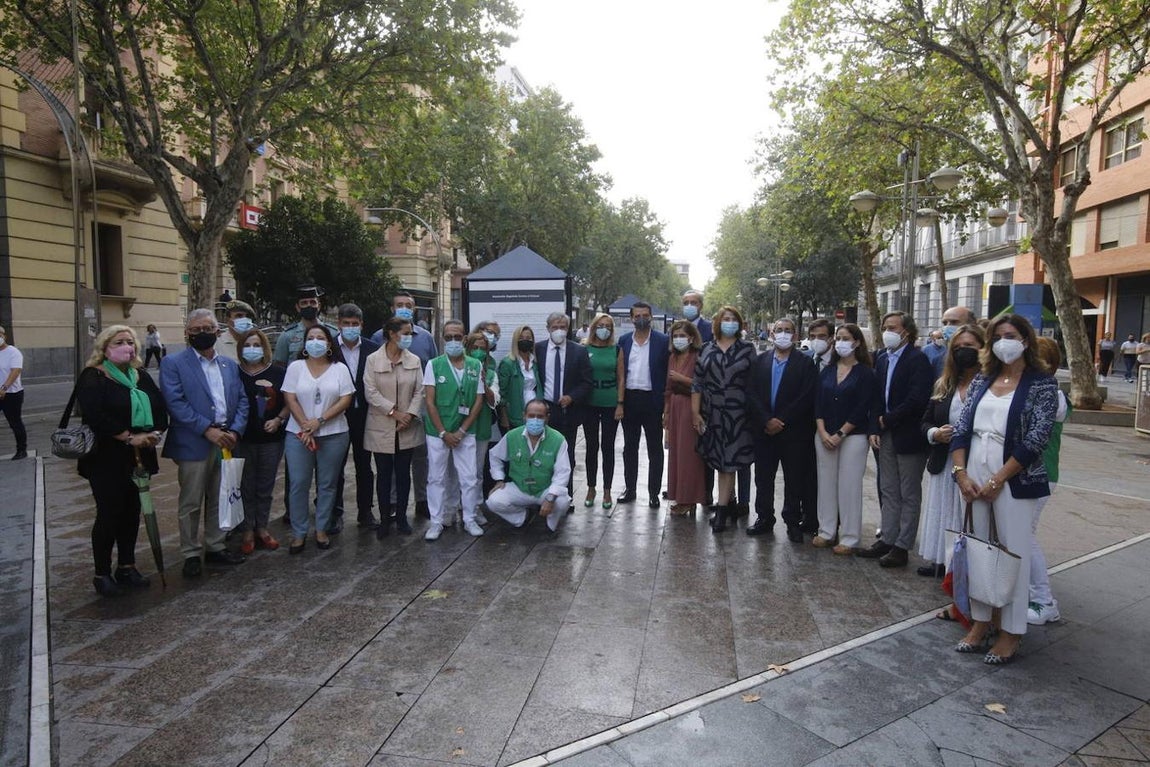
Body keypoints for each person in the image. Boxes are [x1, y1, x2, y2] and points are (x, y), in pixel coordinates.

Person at [951, 313, 1059, 664]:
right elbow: (961, 428)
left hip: (1014, 476)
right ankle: (981, 622)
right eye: (997, 336)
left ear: (1026, 340)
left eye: (1010, 335)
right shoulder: (983, 379)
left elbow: (1037, 438)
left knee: (1013, 552)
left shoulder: (1042, 384)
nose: (1003, 342)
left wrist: (999, 478)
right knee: (980, 550)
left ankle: (1011, 632)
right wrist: (961, 473)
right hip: (973, 473)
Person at [76, 325, 168, 596]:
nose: (126, 346)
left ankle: (127, 566)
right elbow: (95, 415)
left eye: (130, 342)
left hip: (140, 456)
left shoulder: (140, 375)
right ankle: (102, 573)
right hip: (106, 457)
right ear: (105, 348)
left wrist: (154, 433)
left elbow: (159, 407)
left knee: (131, 512)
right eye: (119, 342)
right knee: (109, 513)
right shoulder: (93, 376)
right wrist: (128, 437)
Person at [160, 309, 249, 577]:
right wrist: (206, 429)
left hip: (226, 441)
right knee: (191, 501)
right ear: (187, 333)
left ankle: (215, 546)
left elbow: (242, 400)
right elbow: (175, 402)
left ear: (217, 332)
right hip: (194, 442)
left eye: (208, 328)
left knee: (220, 496)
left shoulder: (230, 365)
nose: (203, 333)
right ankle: (190, 552)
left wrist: (236, 431)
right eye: (196, 329)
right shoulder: (173, 363)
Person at [858, 310, 934, 568]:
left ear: (906, 332)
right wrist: (875, 426)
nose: (887, 332)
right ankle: (887, 539)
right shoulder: (882, 358)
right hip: (885, 433)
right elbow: (876, 396)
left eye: (892, 327)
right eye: (885, 327)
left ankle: (902, 545)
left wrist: (888, 419)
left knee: (908, 492)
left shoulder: (918, 359)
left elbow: (917, 399)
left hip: (909, 434)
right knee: (888, 488)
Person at [917, 324, 985, 578]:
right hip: (943, 460)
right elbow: (925, 420)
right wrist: (934, 433)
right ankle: (942, 561)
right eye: (958, 347)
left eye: (969, 346)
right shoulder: (945, 384)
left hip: (972, 462)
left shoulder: (989, 384)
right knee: (942, 511)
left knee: (965, 513)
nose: (963, 351)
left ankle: (964, 567)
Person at [281, 325, 354, 553]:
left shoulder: (340, 368)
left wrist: (319, 421)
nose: (315, 342)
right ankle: (299, 532)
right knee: (298, 484)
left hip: (334, 434)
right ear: (305, 343)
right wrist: (305, 425)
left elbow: (345, 400)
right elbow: (290, 398)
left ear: (329, 343)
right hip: (298, 434)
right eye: (311, 338)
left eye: (320, 338)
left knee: (327, 484)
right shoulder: (296, 367)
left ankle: (322, 528)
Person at [746, 317, 818, 542]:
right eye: (779, 330)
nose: (783, 334)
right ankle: (764, 517)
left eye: (788, 330)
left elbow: (806, 397)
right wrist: (766, 420)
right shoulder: (760, 361)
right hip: (764, 431)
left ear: (795, 336)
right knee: (763, 478)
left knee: (794, 479)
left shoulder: (805, 363)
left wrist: (781, 420)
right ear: (772, 334)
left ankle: (792, 521)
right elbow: (751, 393)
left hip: (794, 432)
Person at [371, 291, 437, 519]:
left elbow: (431, 371)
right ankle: (391, 502)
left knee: (420, 457)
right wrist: (393, 411)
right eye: (399, 304)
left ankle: (422, 499)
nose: (404, 308)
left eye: (408, 305)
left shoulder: (425, 337)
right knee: (390, 460)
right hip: (387, 412)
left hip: (418, 409)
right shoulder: (378, 337)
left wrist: (412, 412)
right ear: (392, 308)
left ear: (414, 308)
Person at [812, 324, 875, 554]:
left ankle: (849, 537)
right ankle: (826, 531)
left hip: (853, 436)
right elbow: (818, 403)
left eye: (845, 338)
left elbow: (862, 407)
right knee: (826, 484)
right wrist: (822, 432)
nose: (840, 342)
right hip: (824, 434)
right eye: (838, 338)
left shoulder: (865, 373)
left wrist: (841, 433)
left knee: (849, 486)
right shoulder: (827, 371)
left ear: (857, 342)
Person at [692, 305, 756, 533]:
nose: (729, 322)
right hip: (712, 413)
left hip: (739, 414)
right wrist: (695, 412)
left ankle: (721, 511)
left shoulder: (747, 349)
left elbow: (755, 382)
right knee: (719, 461)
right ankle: (727, 504)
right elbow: (697, 383)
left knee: (729, 463)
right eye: (725, 318)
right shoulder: (706, 348)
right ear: (717, 323)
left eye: (733, 319)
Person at [423, 319, 486, 540]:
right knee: (436, 478)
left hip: (465, 431)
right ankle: (436, 521)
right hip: (437, 432)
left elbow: (478, 400)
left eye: (457, 337)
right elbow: (429, 401)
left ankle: (469, 519)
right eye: (448, 337)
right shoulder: (434, 365)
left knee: (469, 477)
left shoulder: (475, 365)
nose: (453, 341)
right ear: (443, 339)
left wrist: (461, 431)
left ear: (465, 338)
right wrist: (443, 432)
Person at [363, 316, 425, 538]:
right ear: (391, 334)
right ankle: (384, 519)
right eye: (405, 333)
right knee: (383, 474)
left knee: (403, 473)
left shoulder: (414, 360)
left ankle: (401, 517)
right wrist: (393, 412)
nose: (409, 338)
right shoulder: (373, 359)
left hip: (407, 425)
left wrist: (409, 415)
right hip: (381, 424)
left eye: (410, 334)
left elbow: (420, 390)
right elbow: (370, 392)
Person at [1028, 336, 1071, 626]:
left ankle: (1044, 600)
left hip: (1041, 474)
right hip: (1035, 475)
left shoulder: (1051, 395)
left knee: (1024, 536)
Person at [234, 329, 287, 554]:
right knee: (245, 485)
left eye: (256, 345)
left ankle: (262, 528)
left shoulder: (278, 372)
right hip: (242, 439)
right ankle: (247, 529)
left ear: (264, 348)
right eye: (247, 345)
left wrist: (278, 419)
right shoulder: (233, 372)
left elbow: (289, 401)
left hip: (271, 439)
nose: (252, 349)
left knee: (265, 485)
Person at [332, 303, 382, 532]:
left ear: (361, 325)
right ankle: (335, 512)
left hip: (365, 415)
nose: (350, 327)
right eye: (346, 323)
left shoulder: (373, 349)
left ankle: (365, 511)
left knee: (364, 465)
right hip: (336, 415)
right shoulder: (329, 348)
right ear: (339, 324)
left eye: (355, 324)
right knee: (336, 466)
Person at [486, 400, 572, 532]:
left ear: (547, 418)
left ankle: (550, 524)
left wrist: (551, 497)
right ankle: (522, 517)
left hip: (545, 489)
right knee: (494, 501)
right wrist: (499, 479)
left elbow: (563, 472)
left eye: (540, 416)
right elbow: (495, 455)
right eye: (531, 416)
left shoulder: (557, 439)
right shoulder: (512, 436)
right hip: (520, 487)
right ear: (524, 416)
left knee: (562, 502)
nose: (535, 420)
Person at [617, 301, 670, 508]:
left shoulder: (662, 341)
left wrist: (666, 407)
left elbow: (667, 374)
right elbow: (620, 373)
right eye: (637, 315)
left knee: (655, 449)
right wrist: (620, 403)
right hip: (630, 399)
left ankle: (653, 493)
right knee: (629, 447)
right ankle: (630, 489)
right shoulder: (623, 341)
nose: (641, 319)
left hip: (652, 400)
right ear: (631, 318)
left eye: (645, 315)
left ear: (651, 317)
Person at [535, 312, 592, 498]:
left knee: (567, 455)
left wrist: (572, 397)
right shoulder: (538, 349)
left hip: (568, 410)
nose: (559, 331)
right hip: (545, 410)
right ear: (548, 329)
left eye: (563, 327)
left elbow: (587, 382)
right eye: (555, 327)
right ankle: (544, 494)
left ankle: (566, 496)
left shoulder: (579, 351)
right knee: (543, 454)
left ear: (568, 329)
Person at [579, 313, 621, 509]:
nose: (604, 329)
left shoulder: (616, 349)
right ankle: (591, 488)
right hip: (589, 403)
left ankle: (607, 490)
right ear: (594, 327)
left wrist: (621, 403)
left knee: (608, 447)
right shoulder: (584, 349)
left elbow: (621, 378)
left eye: (608, 326)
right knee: (591, 446)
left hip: (610, 402)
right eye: (601, 325)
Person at [665, 320, 706, 515]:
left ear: (691, 338)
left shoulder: (697, 357)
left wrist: (682, 379)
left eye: (682, 335)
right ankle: (679, 496)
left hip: (691, 407)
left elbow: (703, 384)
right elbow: (667, 387)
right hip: (674, 407)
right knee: (676, 453)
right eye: (675, 336)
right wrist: (666, 412)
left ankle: (690, 499)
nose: (679, 339)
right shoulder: (673, 357)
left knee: (689, 455)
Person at [273, 285, 339, 364]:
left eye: (312, 302)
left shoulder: (333, 333)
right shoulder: (287, 336)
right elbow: (279, 365)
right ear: (298, 307)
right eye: (304, 303)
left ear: (319, 306)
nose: (309, 305)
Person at [498, 325, 542, 431]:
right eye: (521, 338)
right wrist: (504, 417)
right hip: (515, 412)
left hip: (535, 410)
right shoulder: (508, 363)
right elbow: (502, 394)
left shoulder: (535, 362)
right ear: (516, 341)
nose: (525, 341)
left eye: (528, 338)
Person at [0, 326, 28, 460]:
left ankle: (21, 450)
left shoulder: (13, 352)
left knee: (15, 422)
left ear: (4, 336)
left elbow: (15, 371)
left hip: (11, 393)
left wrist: (4, 388)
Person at [936, 306, 978, 377]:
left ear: (971, 324)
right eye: (945, 323)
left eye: (954, 322)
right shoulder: (939, 360)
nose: (947, 326)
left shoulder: (989, 359)